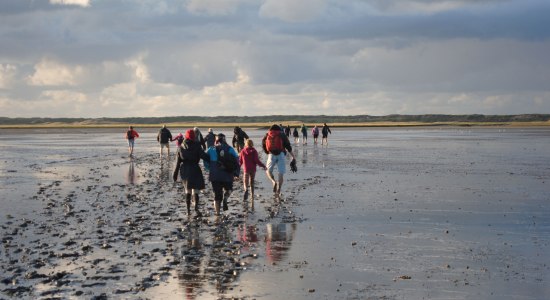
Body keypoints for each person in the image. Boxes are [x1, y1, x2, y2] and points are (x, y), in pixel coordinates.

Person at [173, 129, 208, 217]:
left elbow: (177, 162)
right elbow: (205, 157)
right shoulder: (197, 146)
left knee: (187, 191)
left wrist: (175, 174)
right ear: (194, 136)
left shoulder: (181, 147)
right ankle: (196, 208)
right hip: (195, 169)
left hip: (185, 170)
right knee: (196, 191)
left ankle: (188, 210)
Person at [204, 133, 240, 215]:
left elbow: (205, 161)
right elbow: (237, 161)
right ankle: (225, 199)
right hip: (227, 175)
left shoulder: (211, 149)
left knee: (217, 195)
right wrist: (236, 173)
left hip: (215, 175)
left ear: (215, 140)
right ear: (224, 139)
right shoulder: (230, 149)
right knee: (229, 189)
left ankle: (217, 213)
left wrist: (210, 168)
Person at [262, 124, 296, 195]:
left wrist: (267, 152)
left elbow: (263, 144)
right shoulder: (282, 134)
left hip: (271, 154)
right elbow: (288, 146)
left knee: (268, 170)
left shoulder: (267, 134)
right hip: (281, 154)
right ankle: (279, 190)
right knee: (281, 173)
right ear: (279, 129)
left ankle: (273, 181)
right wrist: (293, 156)